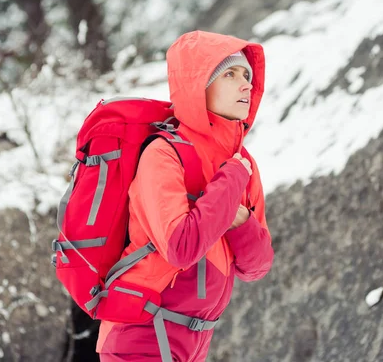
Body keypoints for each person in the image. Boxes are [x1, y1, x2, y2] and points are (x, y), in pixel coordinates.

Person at [97, 30, 274, 361]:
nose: (245, 85)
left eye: (247, 76)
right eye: (230, 74)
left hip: (193, 341)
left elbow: (257, 266)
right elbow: (181, 247)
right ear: (199, 85)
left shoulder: (243, 162)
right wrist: (230, 182)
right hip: (142, 334)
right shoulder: (164, 154)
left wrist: (241, 222)